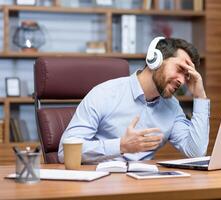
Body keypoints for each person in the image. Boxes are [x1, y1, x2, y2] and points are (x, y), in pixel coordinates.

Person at [58, 37, 210, 163]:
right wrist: (120, 146)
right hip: (100, 186)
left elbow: (195, 152)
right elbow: (65, 153)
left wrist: (200, 96)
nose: (182, 81)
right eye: (180, 69)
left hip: (143, 186)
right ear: (155, 59)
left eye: (187, 75)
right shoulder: (104, 94)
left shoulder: (172, 107)